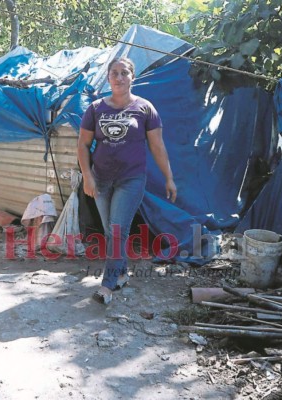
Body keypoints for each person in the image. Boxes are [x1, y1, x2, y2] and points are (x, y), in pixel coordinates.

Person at [78, 57, 177, 304]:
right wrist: (87, 176)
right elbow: (83, 144)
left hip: (130, 179)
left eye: (124, 73)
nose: (119, 78)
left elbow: (157, 146)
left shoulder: (145, 108)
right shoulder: (96, 108)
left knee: (116, 230)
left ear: (132, 76)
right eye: (114, 73)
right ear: (108, 77)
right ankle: (121, 273)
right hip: (100, 180)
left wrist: (169, 178)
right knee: (112, 232)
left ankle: (108, 285)